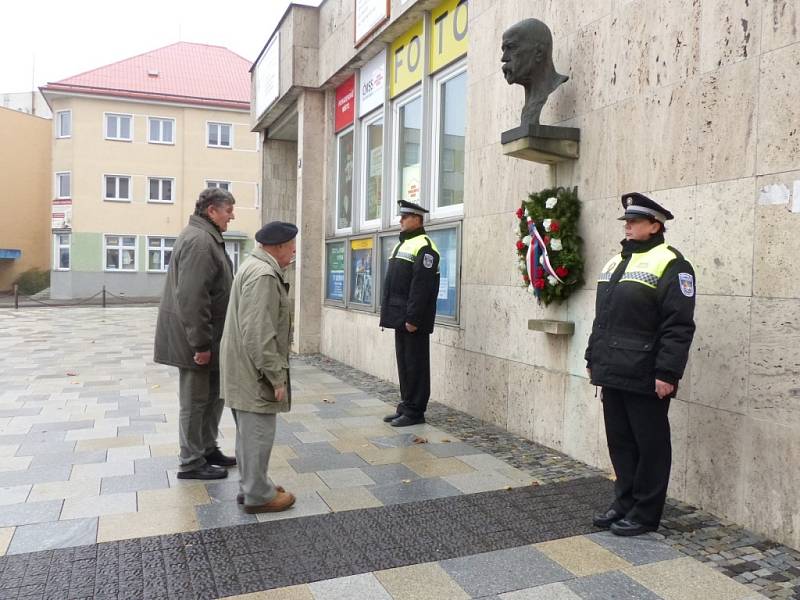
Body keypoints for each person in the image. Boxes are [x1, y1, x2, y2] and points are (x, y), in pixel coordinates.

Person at [585, 192, 696, 536]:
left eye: (635, 221)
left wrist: (667, 372)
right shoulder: (615, 262)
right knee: (620, 441)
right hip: (613, 367)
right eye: (627, 221)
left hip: (646, 373)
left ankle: (646, 512)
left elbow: (678, 324)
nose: (628, 226)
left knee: (650, 444)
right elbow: (602, 317)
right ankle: (624, 501)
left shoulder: (672, 263)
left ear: (655, 225)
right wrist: (593, 355)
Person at [154, 188, 237, 480]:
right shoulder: (200, 242)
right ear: (212, 210)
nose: (232, 216)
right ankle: (191, 461)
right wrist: (200, 344)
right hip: (197, 341)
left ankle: (206, 448)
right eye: (229, 210)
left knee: (213, 396)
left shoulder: (206, 237)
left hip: (210, 338)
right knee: (195, 400)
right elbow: (192, 298)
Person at [220, 221, 298, 513]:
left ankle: (254, 483)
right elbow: (259, 333)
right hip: (253, 371)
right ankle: (258, 494)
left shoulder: (253, 265)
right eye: (291, 248)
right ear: (276, 247)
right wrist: (276, 377)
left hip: (242, 367)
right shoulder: (264, 274)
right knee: (258, 433)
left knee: (248, 433)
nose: (293, 253)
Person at [380, 200, 440, 427]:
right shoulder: (402, 244)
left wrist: (413, 318)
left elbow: (421, 287)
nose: (400, 220)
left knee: (416, 364)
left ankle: (416, 411)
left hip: (413, 320)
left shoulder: (425, 246)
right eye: (401, 216)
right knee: (404, 364)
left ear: (417, 218)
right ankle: (406, 406)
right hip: (400, 317)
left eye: (404, 217)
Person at [501, 18, 569, 127]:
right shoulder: (528, 106)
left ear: (539, 52)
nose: (503, 58)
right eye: (503, 50)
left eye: (511, 48)